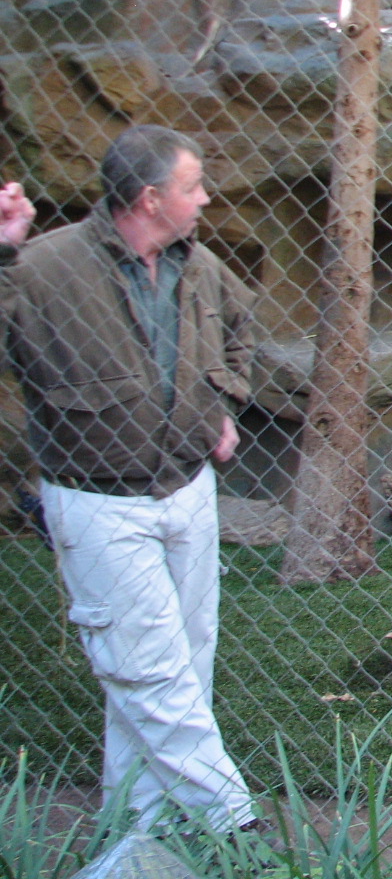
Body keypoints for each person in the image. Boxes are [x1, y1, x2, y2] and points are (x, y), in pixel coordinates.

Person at [0, 125, 262, 834]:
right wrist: (3, 250)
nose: (204, 198)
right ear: (149, 198)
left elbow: (240, 327)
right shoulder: (44, 267)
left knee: (184, 662)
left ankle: (139, 825)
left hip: (187, 489)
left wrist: (223, 401)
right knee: (148, 671)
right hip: (99, 501)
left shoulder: (197, 263)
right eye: (191, 186)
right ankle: (232, 820)